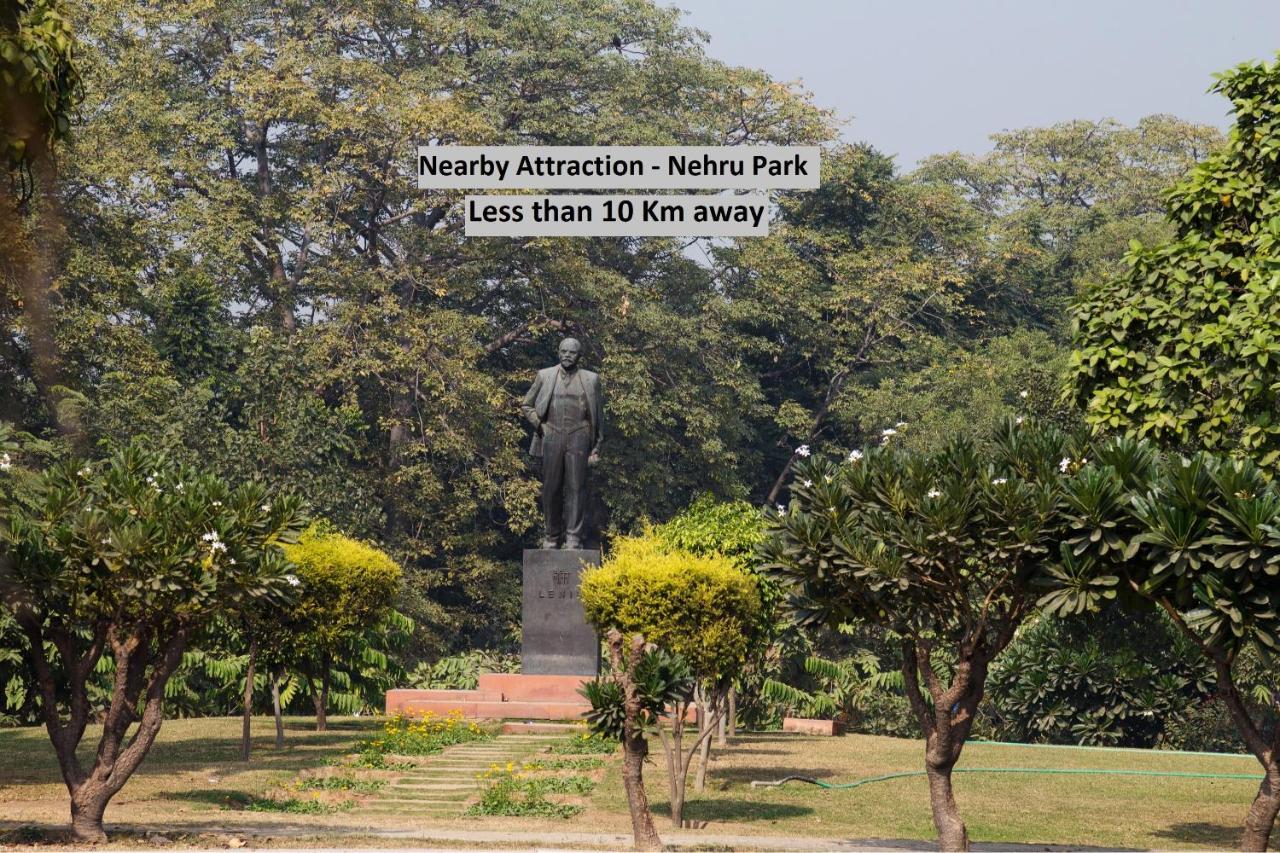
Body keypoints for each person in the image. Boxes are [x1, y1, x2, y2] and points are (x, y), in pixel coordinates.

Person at [520, 338, 603, 549]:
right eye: (563, 351)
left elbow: (598, 417)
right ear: (558, 352)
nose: (567, 355)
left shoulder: (591, 379)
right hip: (552, 434)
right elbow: (526, 405)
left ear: (579, 356)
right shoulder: (545, 375)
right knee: (551, 488)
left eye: (572, 352)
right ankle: (551, 537)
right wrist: (540, 426)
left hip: (579, 436)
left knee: (577, 488)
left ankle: (573, 538)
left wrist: (596, 447)